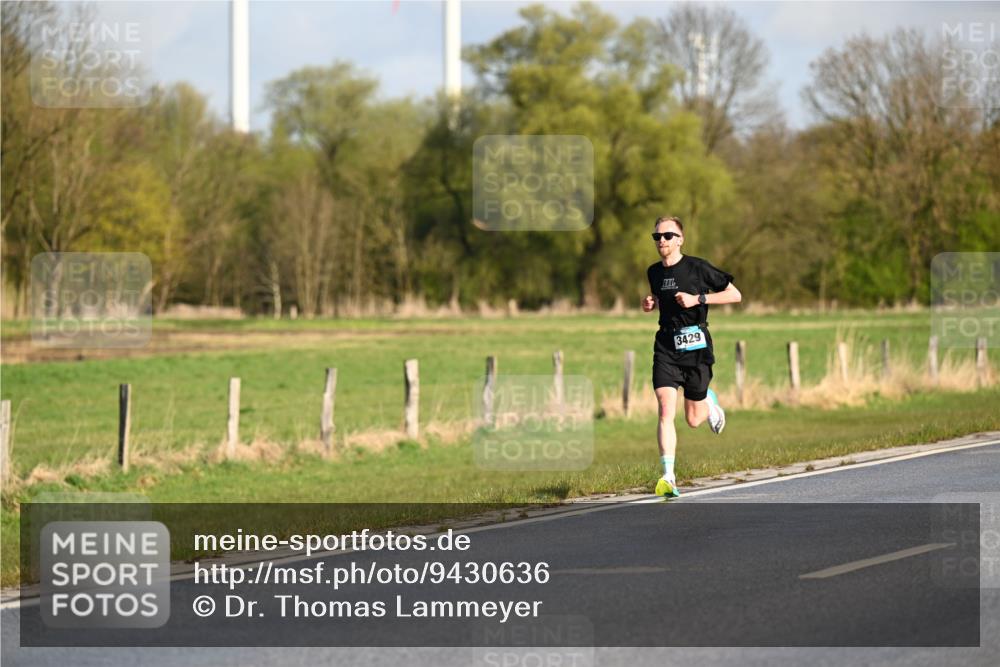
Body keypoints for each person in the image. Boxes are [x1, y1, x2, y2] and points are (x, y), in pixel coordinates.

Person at [642, 216, 742, 498]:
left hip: (696, 345)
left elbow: (735, 295)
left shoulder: (698, 267)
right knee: (664, 410)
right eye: (657, 236)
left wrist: (698, 299)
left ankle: (708, 403)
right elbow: (661, 297)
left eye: (668, 235)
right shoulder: (653, 272)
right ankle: (669, 477)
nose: (662, 240)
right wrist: (651, 302)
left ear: (680, 239)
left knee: (693, 420)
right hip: (666, 346)